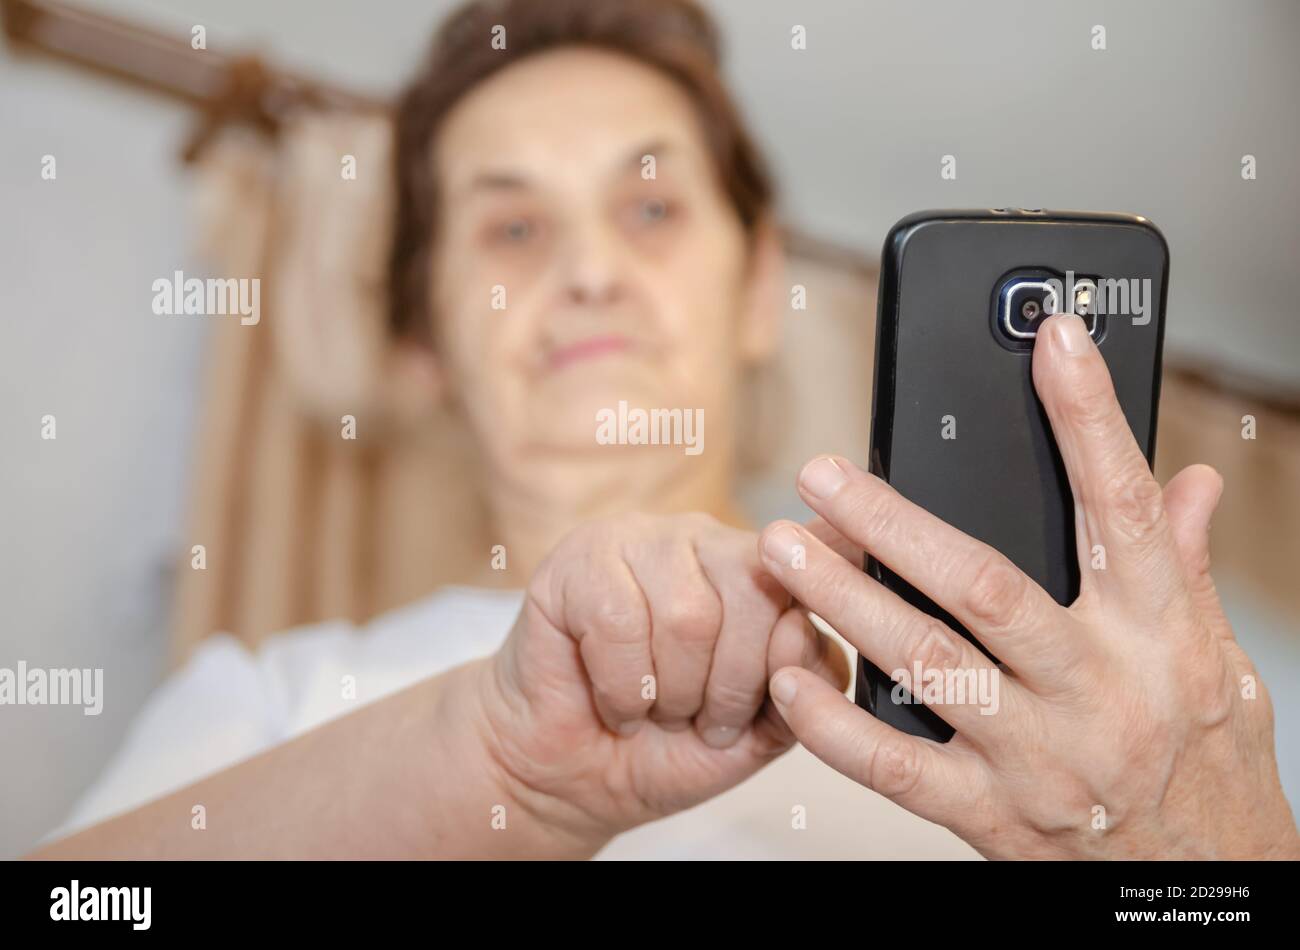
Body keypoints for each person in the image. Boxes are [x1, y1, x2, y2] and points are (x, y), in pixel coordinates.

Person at [31, 0, 1298, 860]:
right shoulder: (266, 699)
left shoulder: (1090, 708)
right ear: (420, 341)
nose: (586, 269)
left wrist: (1207, 851)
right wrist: (480, 760)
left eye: (647, 208)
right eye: (512, 226)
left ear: (755, 287)